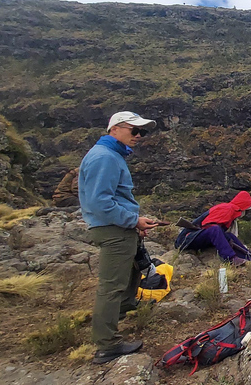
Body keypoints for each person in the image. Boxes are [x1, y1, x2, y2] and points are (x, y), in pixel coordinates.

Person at [78, 111, 159, 364]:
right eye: (133, 130)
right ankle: (107, 345)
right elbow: (100, 201)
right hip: (113, 229)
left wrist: (134, 222)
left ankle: (122, 312)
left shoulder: (111, 155)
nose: (138, 136)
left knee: (132, 272)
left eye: (141, 132)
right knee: (111, 286)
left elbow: (114, 198)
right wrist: (132, 220)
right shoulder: (105, 158)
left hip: (119, 226)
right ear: (114, 129)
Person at [174, 191, 251, 265]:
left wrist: (228, 238)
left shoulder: (230, 210)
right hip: (187, 239)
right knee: (215, 229)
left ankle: (249, 257)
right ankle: (230, 258)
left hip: (200, 236)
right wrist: (226, 239)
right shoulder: (227, 209)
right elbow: (209, 226)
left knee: (230, 236)